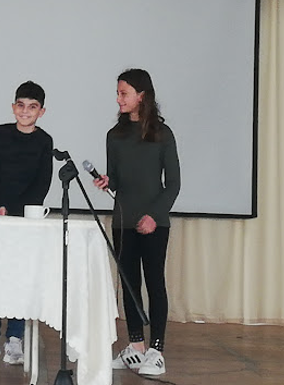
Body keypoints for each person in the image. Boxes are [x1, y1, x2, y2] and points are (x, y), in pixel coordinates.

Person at [93, 68, 180, 377]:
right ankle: (136, 346)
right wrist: (107, 181)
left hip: (155, 223)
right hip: (123, 222)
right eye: (118, 93)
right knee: (129, 285)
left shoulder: (162, 134)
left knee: (154, 283)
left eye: (124, 93)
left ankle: (156, 350)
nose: (119, 99)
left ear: (141, 96)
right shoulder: (114, 136)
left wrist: (154, 216)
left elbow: (173, 184)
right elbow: (117, 180)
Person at [0, 80, 53, 365]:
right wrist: (0, 203)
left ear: (41, 112)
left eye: (32, 107)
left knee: (19, 276)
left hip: (25, 219)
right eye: (21, 105)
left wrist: (20, 210)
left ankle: (15, 338)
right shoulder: (0, 133)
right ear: (13, 107)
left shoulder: (44, 141)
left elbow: (42, 181)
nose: (25, 111)